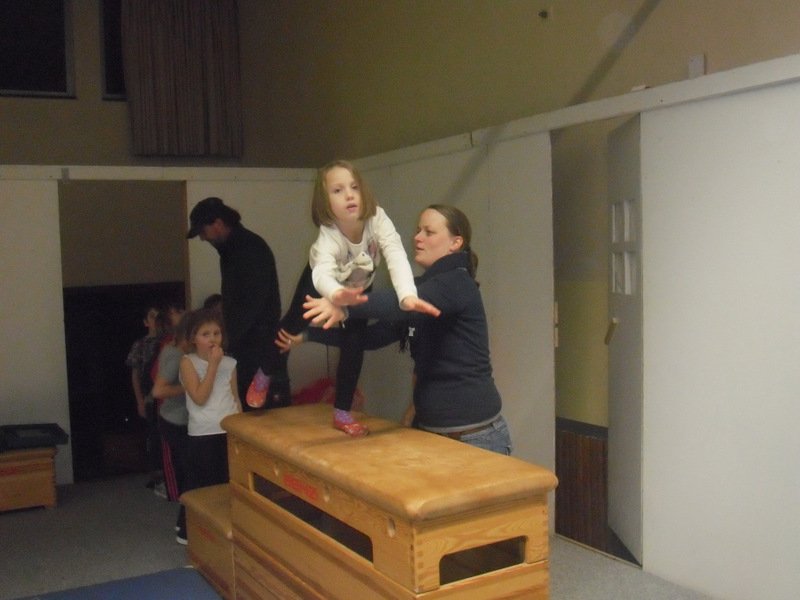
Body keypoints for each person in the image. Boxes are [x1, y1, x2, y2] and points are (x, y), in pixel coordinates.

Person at [300, 205, 513, 456]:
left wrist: (343, 305)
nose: (417, 237)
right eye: (418, 230)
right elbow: (373, 338)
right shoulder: (423, 289)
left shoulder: (456, 283)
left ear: (455, 243)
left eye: (429, 232)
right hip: (432, 433)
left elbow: (397, 303)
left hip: (475, 438)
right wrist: (307, 335)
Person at [278, 160, 427, 437]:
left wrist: (407, 294)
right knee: (293, 323)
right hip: (324, 283)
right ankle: (266, 371)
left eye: (354, 187)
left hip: (358, 287)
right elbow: (322, 274)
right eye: (338, 190)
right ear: (325, 203)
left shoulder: (376, 218)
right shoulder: (328, 237)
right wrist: (336, 295)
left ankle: (342, 412)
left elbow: (394, 252)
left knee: (354, 343)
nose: (349, 195)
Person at [186, 197, 290, 411]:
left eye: (203, 231)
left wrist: (227, 340)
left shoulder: (248, 249)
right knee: (252, 412)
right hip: (252, 345)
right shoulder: (235, 249)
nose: (203, 238)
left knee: (264, 415)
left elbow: (251, 305)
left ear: (218, 223)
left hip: (259, 347)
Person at [178, 308, 242, 545]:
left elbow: (235, 397)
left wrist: (240, 428)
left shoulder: (231, 363)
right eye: (205, 334)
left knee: (226, 483)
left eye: (216, 333)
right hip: (203, 433)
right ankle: (187, 529)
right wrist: (213, 365)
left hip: (228, 429)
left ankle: (222, 532)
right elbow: (199, 397)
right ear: (193, 338)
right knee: (201, 485)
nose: (213, 339)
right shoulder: (188, 362)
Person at [151, 310, 191, 539]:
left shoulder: (175, 350)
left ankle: (182, 523)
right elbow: (158, 390)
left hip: (177, 419)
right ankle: (185, 527)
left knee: (189, 474)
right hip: (176, 421)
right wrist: (191, 387)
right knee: (191, 475)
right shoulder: (175, 354)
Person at [125, 302, 163, 488]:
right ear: (146, 322)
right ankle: (155, 473)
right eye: (152, 316)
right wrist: (139, 400)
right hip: (148, 395)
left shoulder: (168, 341)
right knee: (152, 434)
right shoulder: (140, 345)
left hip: (167, 394)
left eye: (158, 316)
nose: (156, 320)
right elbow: (135, 374)